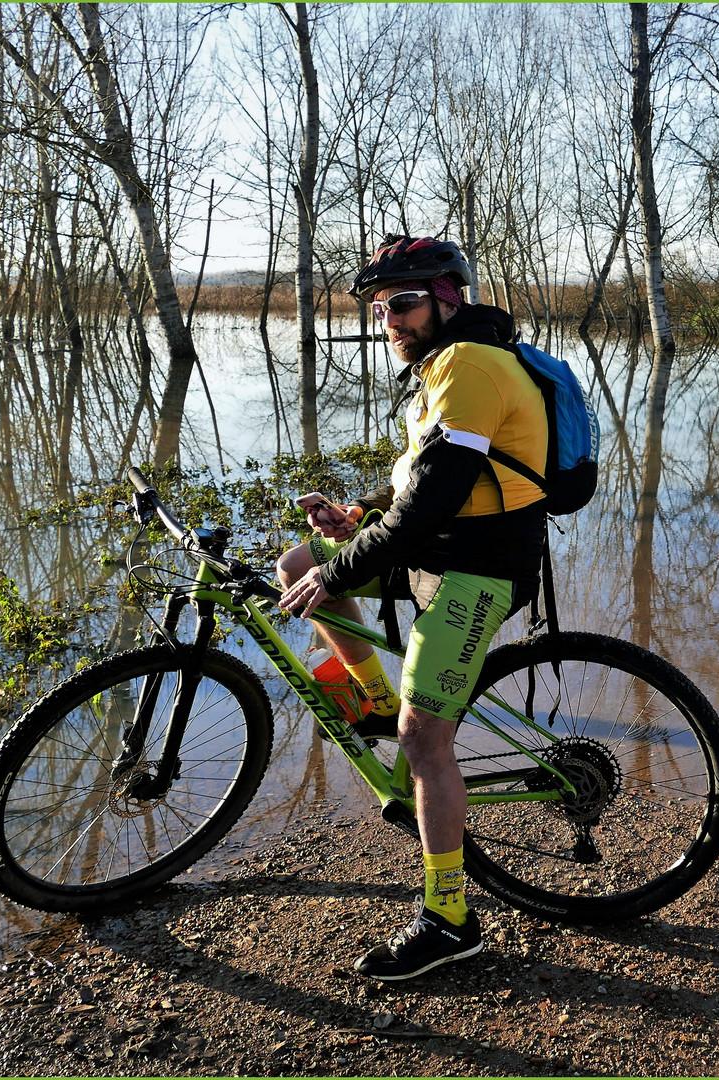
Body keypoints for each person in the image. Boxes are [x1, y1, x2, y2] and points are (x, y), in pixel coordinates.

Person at [276, 235, 548, 980]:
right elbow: (417, 485)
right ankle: (370, 695)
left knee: (424, 742)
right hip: (442, 552)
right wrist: (356, 513)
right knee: (299, 560)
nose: (387, 318)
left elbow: (437, 497)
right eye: (378, 306)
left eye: (402, 302)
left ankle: (450, 918)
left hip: (479, 568)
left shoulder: (472, 365)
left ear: (448, 298)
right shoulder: (441, 369)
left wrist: (345, 574)